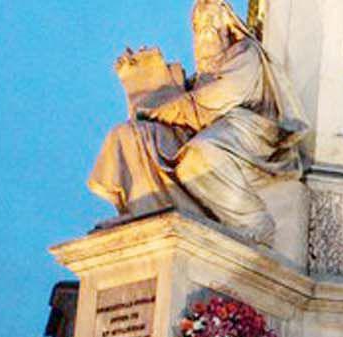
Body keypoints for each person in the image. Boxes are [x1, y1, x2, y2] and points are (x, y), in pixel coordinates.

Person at [89, 0, 308, 241]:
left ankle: (253, 220)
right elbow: (180, 103)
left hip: (247, 129)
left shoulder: (246, 52)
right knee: (129, 135)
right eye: (199, 25)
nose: (205, 31)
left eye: (212, 24)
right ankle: (141, 209)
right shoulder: (201, 75)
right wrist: (142, 79)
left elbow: (223, 95)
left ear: (227, 26)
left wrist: (172, 108)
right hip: (204, 127)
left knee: (199, 155)